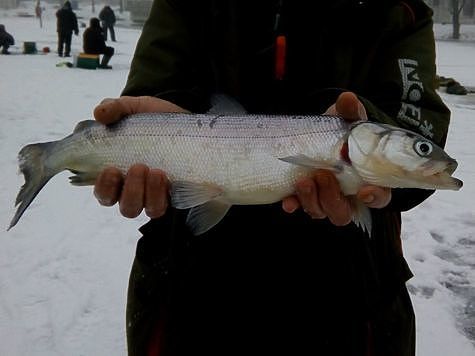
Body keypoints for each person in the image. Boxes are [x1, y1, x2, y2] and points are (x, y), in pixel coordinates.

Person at [92, 1, 451, 355]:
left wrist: (375, 133)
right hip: (190, 292)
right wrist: (154, 124)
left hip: (351, 301)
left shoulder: (400, 10)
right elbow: (159, 85)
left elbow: (417, 122)